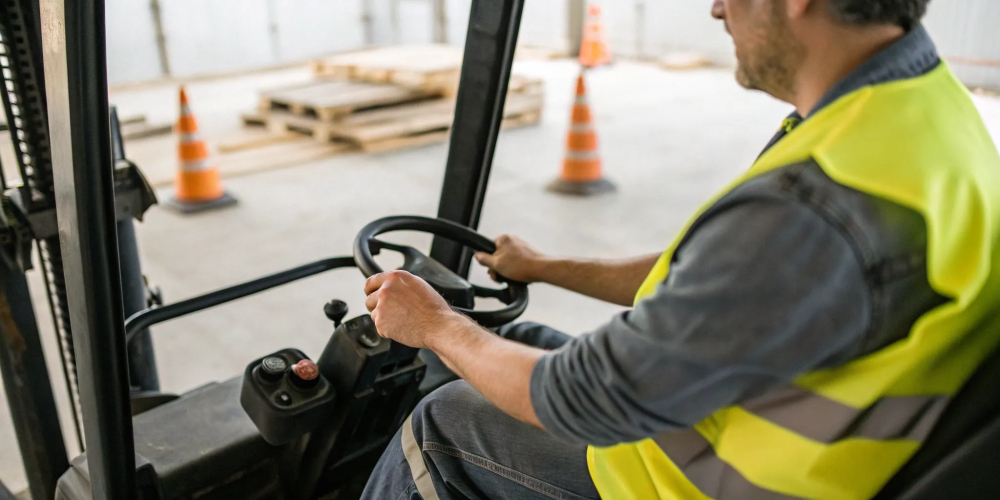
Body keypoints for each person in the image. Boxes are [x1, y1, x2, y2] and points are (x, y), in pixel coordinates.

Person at [361, 0, 1000, 498]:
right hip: (781, 421)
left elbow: (582, 398)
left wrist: (436, 325)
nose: (717, 10)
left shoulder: (815, 205)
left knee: (442, 423)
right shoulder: (920, 110)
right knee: (514, 334)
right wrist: (546, 268)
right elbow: (720, 279)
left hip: (698, 482)